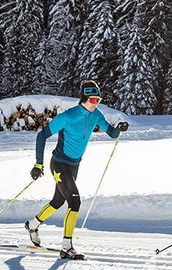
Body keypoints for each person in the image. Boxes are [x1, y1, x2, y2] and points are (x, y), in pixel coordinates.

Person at [25, 80, 128, 259]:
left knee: (57, 201)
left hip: (74, 165)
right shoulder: (69, 116)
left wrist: (120, 129)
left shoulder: (96, 115)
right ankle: (66, 247)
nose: (96, 103)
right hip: (59, 164)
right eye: (93, 100)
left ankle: (32, 225)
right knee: (75, 201)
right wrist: (38, 164)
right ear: (84, 99)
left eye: (99, 100)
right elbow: (42, 136)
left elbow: (112, 133)